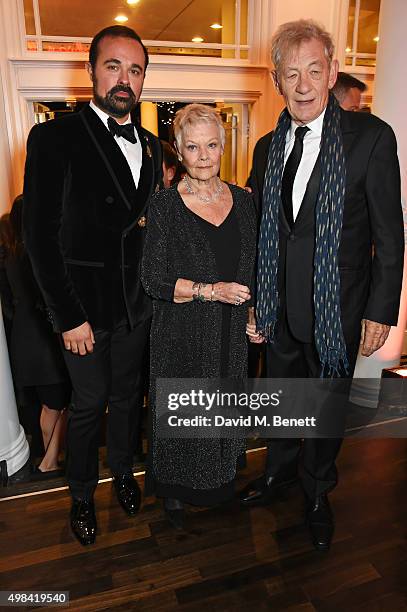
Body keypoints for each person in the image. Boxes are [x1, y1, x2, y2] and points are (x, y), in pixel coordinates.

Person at [242, 19, 404, 552]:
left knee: (325, 407)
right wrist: (253, 299)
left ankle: (317, 490)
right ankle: (280, 473)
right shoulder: (266, 148)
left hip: (338, 309)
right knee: (284, 398)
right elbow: (260, 232)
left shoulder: (371, 138)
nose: (305, 84)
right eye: (292, 74)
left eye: (315, 70)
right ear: (277, 81)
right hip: (277, 308)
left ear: (332, 72)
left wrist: (382, 310)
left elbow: (389, 233)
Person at [23, 26, 162, 546]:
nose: (124, 79)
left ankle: (123, 471)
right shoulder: (54, 136)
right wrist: (67, 317)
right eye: (113, 66)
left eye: (135, 69)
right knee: (88, 404)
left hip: (135, 307)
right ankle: (81, 494)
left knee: (128, 397)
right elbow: (37, 237)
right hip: (82, 309)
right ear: (90, 71)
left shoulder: (150, 146)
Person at [141, 104, 256, 528]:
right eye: (193, 147)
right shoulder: (165, 207)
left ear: (223, 147)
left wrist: (251, 313)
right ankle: (174, 488)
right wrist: (211, 292)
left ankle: (219, 480)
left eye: (211, 145)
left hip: (230, 332)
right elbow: (152, 279)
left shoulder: (244, 203)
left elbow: (253, 267)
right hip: (183, 331)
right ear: (179, 151)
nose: (203, 155)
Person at [0, 196, 70, 477]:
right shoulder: (40, 252)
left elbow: (7, 304)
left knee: (47, 404)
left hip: (21, 340)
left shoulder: (9, 254)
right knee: (60, 403)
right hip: (45, 339)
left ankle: (49, 458)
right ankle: (49, 461)